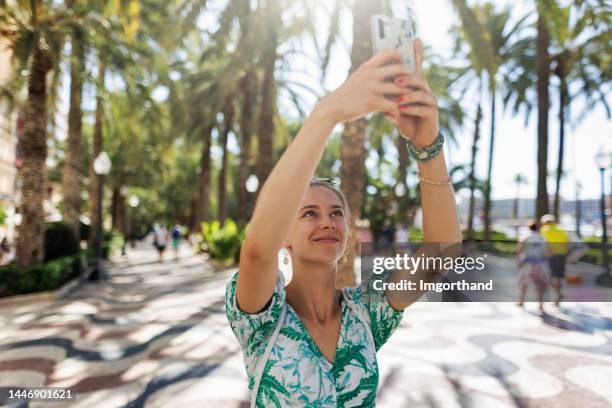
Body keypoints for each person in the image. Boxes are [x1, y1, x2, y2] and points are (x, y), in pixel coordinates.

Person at [225, 44, 461, 407]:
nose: (327, 221)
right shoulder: (262, 315)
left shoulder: (367, 312)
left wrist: (428, 146)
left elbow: (439, 256)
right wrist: (328, 113)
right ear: (283, 236)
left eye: (337, 213)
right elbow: (257, 251)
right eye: (308, 213)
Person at [516, 221, 551, 314]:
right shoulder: (543, 238)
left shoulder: (525, 237)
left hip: (528, 263)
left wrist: (519, 262)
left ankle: (521, 301)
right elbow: (549, 252)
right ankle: (541, 305)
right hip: (540, 264)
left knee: (524, 282)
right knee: (539, 284)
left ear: (529, 228)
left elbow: (520, 250)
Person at [540, 214, 570, 305]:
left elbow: (544, 243)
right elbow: (567, 242)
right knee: (558, 277)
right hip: (562, 255)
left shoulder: (545, 230)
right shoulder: (561, 230)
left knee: (546, 276)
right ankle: (558, 297)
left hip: (550, 256)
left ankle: (555, 294)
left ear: (545, 222)